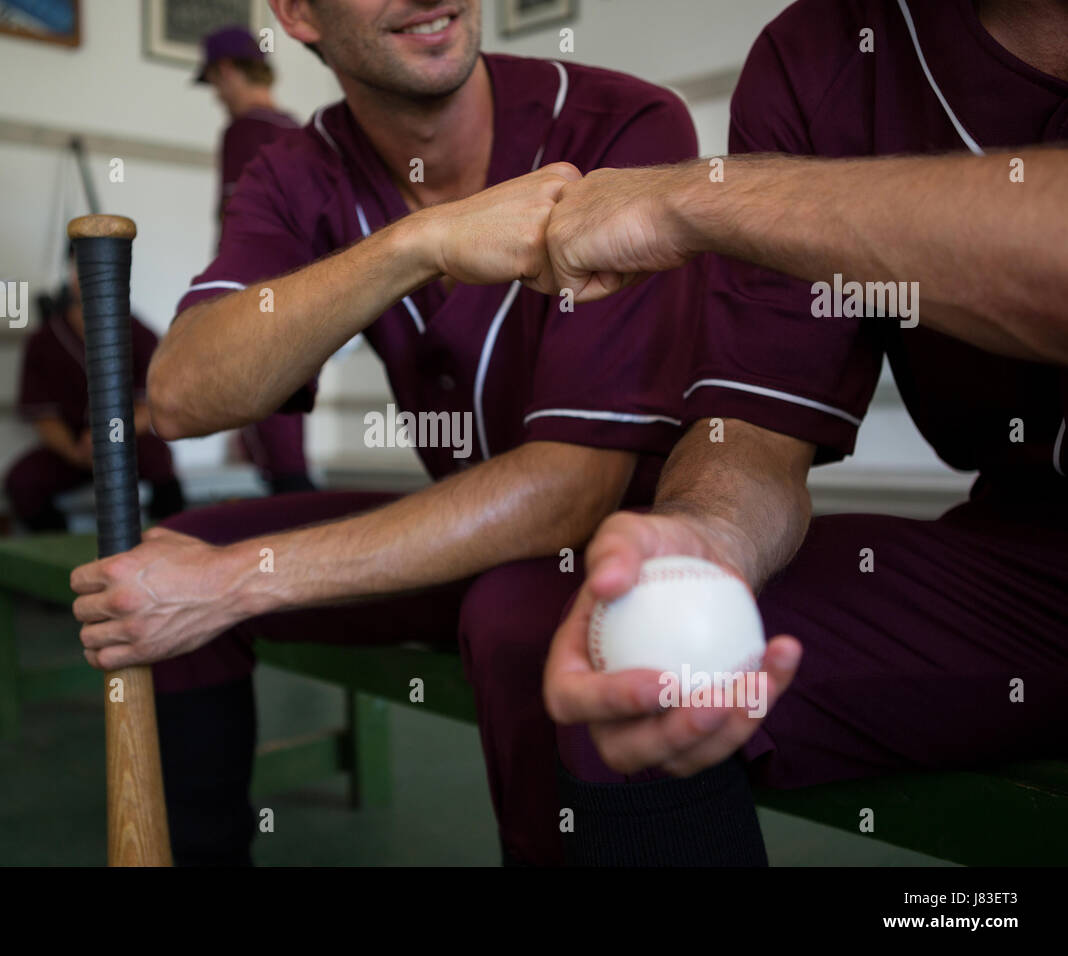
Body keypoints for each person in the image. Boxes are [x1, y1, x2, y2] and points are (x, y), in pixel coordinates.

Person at [70, 0, 699, 865]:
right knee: (161, 566)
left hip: (627, 552)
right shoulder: (299, 169)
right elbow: (183, 394)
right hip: (469, 531)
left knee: (519, 617)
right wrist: (421, 243)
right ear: (296, 14)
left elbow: (574, 492)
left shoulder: (622, 122)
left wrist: (238, 581)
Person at [529, 0, 1068, 865]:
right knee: (637, 670)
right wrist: (706, 540)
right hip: (1036, 559)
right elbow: (756, 421)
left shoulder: (701, 190)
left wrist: (694, 198)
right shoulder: (825, 46)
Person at [197, 26, 314, 495]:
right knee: (287, 426)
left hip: (259, 299)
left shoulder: (242, 131)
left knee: (276, 450)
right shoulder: (302, 131)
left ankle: (301, 536)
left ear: (227, 71)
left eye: (213, 82)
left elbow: (235, 229)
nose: (216, 96)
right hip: (310, 292)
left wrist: (215, 299)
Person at [3, 247, 183, 531]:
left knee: (160, 462)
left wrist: (108, 437)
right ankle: (60, 559)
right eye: (82, 266)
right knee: (23, 482)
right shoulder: (43, 341)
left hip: (126, 441)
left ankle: (166, 551)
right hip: (74, 447)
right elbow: (43, 417)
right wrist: (75, 450)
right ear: (70, 273)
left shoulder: (141, 336)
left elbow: (150, 409)